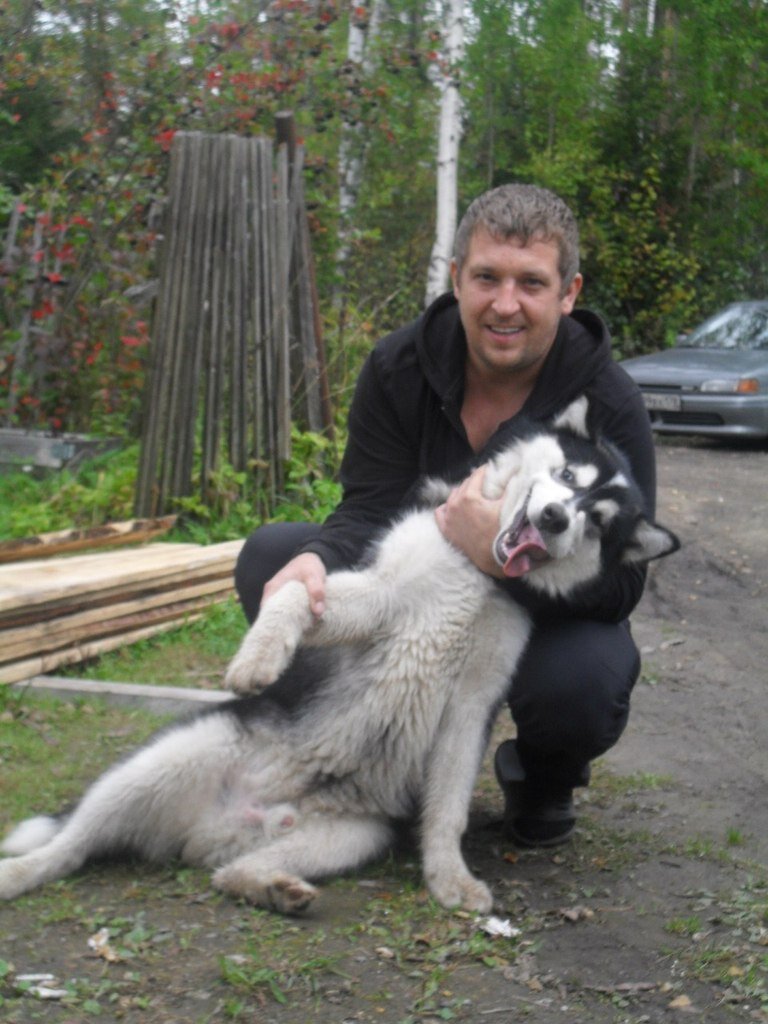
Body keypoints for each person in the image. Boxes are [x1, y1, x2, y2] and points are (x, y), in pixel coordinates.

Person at [234, 183, 656, 847]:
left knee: (586, 680)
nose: (505, 304)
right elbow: (369, 507)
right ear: (457, 277)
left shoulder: (609, 403)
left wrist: (502, 555)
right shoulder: (397, 367)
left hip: (530, 620)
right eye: (486, 277)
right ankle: (354, 755)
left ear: (568, 293)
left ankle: (542, 777)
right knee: (274, 559)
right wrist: (316, 562)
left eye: (531, 283)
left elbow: (624, 583)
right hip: (420, 591)